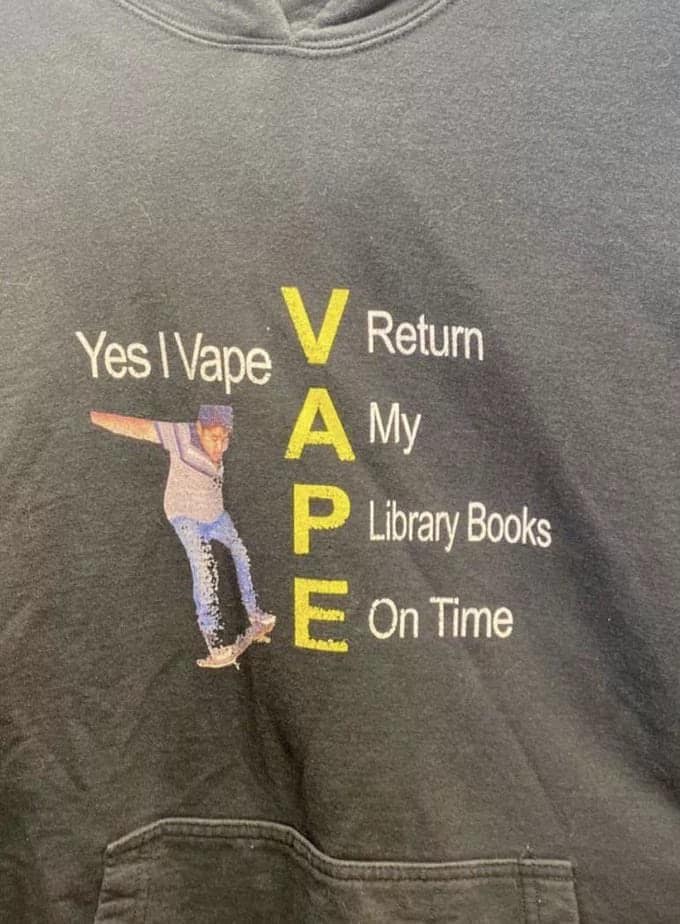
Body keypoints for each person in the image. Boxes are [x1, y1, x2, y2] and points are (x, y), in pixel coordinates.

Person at [89, 404, 275, 668]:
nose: (219, 447)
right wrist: (91, 416)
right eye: (213, 438)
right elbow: (137, 428)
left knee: (240, 554)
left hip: (215, 515)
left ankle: (254, 613)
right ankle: (215, 641)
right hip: (184, 515)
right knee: (204, 566)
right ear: (199, 429)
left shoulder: (220, 443)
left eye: (224, 439)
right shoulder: (180, 434)